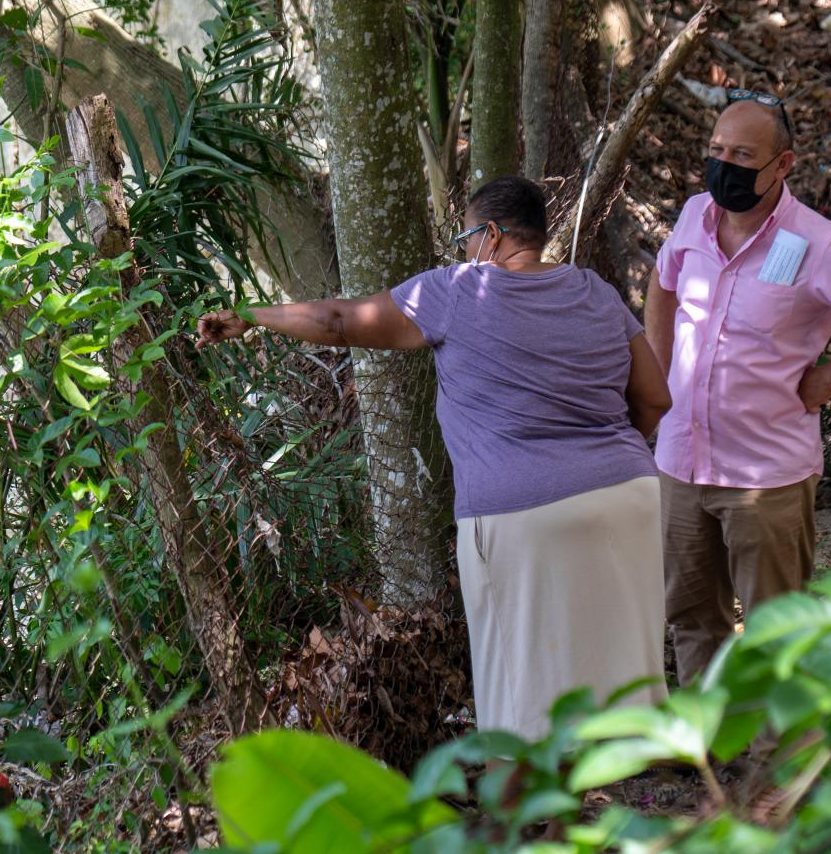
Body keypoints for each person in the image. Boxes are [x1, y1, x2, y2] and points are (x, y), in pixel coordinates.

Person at [197, 175, 672, 741]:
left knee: (513, 695)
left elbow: (339, 321)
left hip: (517, 512)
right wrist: (605, 458)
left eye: (467, 237)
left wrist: (251, 316)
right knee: (620, 666)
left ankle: (512, 811)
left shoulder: (457, 290)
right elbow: (655, 398)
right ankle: (646, 792)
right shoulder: (596, 291)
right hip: (628, 497)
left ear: (491, 234)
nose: (464, 250)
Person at [645, 90, 831, 686]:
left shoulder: (821, 245)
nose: (724, 165)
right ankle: (713, 742)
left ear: (783, 165)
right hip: (680, 459)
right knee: (692, 615)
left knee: (780, 629)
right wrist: (660, 373)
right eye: (717, 149)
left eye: (743, 154)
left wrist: (826, 379)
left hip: (765, 472)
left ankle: (782, 765)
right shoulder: (695, 214)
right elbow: (663, 284)